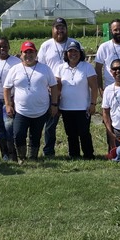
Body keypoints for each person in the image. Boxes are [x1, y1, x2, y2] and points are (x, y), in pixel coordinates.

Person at [3, 41, 59, 162]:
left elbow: (54, 86)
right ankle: (21, 157)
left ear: (36, 53)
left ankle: (33, 157)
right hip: (21, 111)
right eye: (26, 52)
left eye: (31, 52)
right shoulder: (15, 69)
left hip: (41, 110)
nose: (28, 55)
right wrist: (8, 105)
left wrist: (54, 104)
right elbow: (6, 88)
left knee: (35, 136)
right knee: (18, 134)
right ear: (21, 54)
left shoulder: (45, 69)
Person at [37, 17, 77, 157]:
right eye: (57, 27)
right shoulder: (46, 46)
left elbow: (82, 64)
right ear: (52, 29)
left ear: (66, 29)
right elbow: (40, 67)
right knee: (50, 124)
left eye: (62, 27)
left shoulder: (74, 43)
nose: (60, 30)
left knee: (71, 123)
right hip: (51, 91)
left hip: (71, 90)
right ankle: (49, 152)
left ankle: (74, 152)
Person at [55, 40, 98, 159]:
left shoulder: (87, 67)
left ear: (80, 53)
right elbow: (57, 89)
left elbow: (94, 87)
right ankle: (74, 155)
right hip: (66, 107)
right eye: (70, 51)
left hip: (83, 107)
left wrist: (93, 103)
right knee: (71, 133)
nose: (73, 54)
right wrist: (56, 105)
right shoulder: (60, 68)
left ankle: (89, 155)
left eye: (76, 51)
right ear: (66, 53)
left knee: (84, 132)